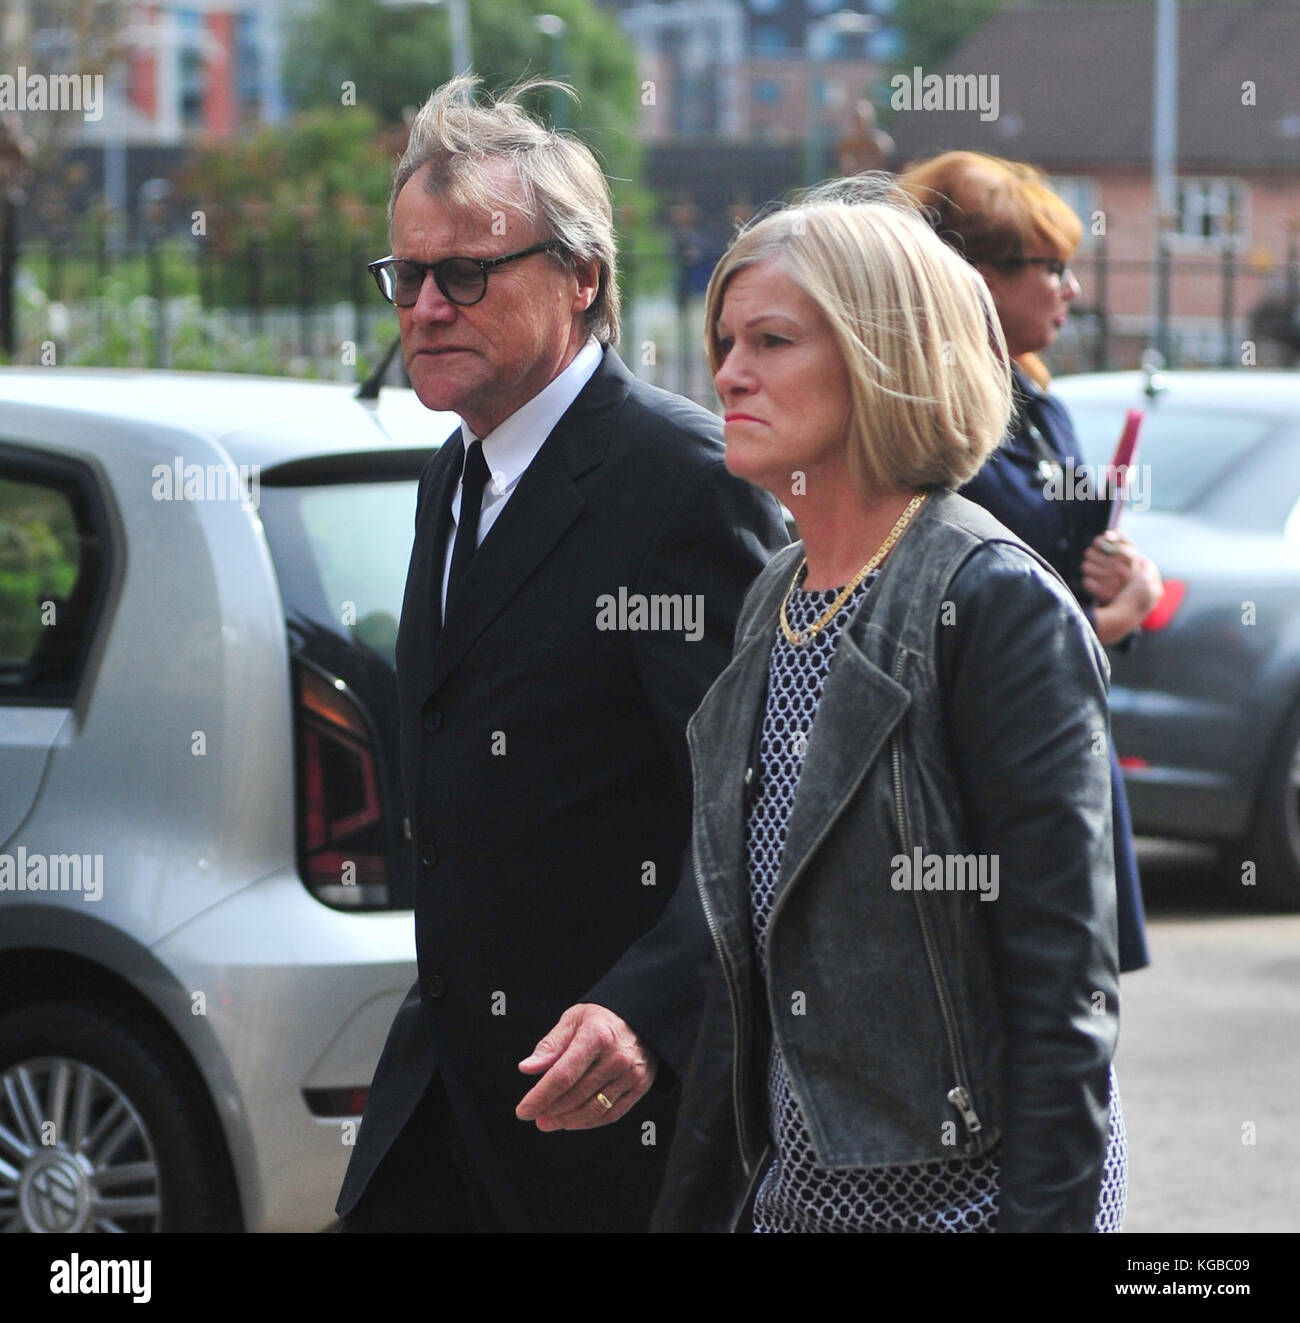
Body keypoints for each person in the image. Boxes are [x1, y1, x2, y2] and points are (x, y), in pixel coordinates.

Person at [335, 76, 787, 1233]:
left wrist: (646, 1009)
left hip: (605, 1122)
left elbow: (755, 802)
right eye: (405, 277)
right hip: (447, 1081)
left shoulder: (681, 481)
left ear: (581, 278)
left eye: (466, 275)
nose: (425, 306)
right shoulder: (457, 466)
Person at [645, 181, 1124, 1233]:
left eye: (771, 340)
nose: (727, 372)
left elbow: (1064, 991)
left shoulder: (990, 602)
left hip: (965, 1202)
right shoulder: (777, 594)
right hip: (794, 1200)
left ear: (880, 357)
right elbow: (747, 971)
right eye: (723, 340)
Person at [899, 151, 1159, 973]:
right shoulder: (929, 419)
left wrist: (1122, 581)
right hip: (985, 761)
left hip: (1066, 734)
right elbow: (950, 609)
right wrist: (1107, 620)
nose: (1071, 290)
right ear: (970, 274)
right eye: (1050, 268)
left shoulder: (1036, 398)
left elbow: (1055, 561)